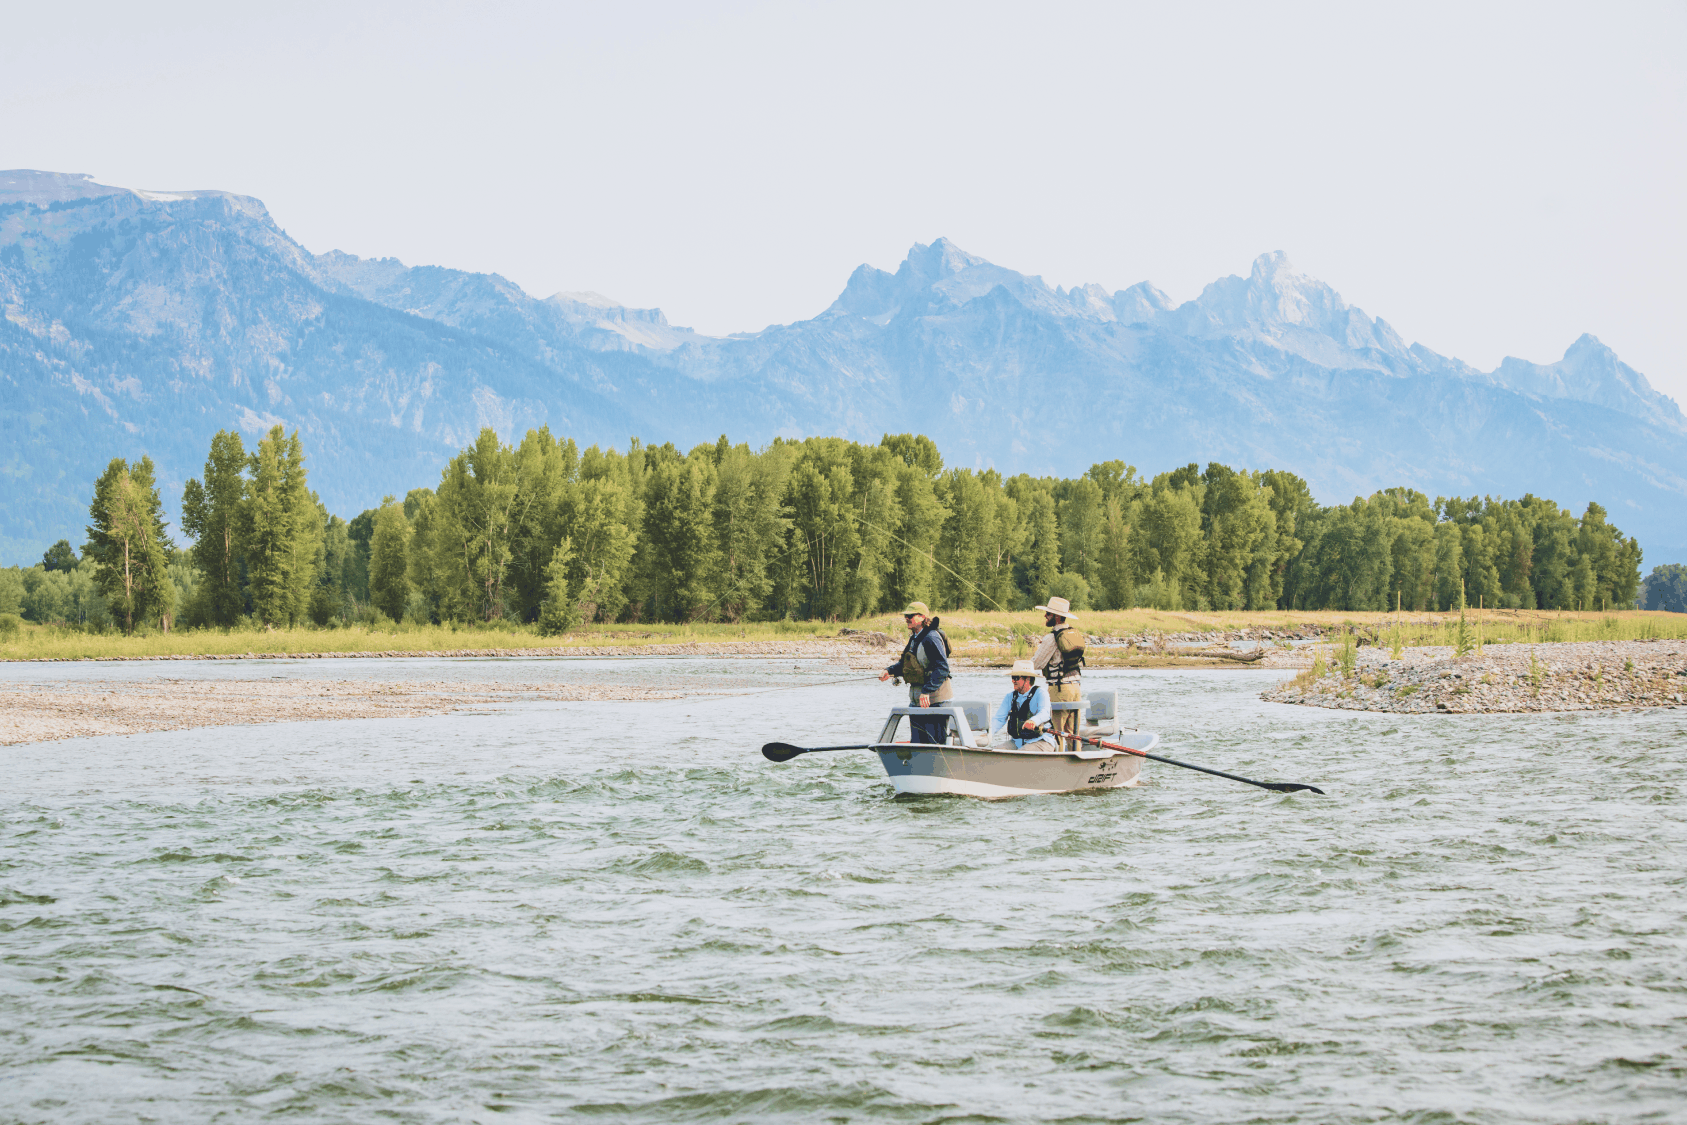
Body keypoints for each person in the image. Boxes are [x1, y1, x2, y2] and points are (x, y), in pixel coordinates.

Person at [878, 601, 952, 743]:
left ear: (922, 617)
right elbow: (906, 664)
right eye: (906, 615)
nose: (906, 618)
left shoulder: (931, 637)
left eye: (910, 615)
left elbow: (942, 668)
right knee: (918, 744)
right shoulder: (915, 637)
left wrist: (927, 691)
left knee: (934, 745)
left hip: (934, 701)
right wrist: (889, 671)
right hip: (917, 701)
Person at [1031, 594, 1086, 746]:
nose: (1045, 615)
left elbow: (1036, 664)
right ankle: (1076, 763)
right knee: (1073, 734)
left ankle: (1060, 764)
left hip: (1059, 690)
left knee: (1057, 733)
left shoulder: (1051, 638)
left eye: (1048, 613)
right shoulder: (1073, 633)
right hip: (1076, 688)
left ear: (1055, 616)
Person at [990, 659, 1056, 750]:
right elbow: (998, 719)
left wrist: (1034, 721)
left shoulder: (1041, 693)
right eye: (1012, 677)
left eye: (1016, 678)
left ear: (1027, 679)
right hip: (1017, 741)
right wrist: (988, 734)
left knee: (1022, 753)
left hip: (1041, 741)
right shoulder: (1010, 697)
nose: (1013, 681)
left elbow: (1045, 713)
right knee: (996, 752)